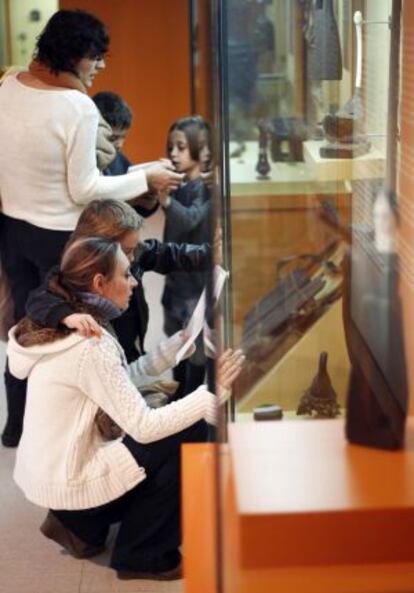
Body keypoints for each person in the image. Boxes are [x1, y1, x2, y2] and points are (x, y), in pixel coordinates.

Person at [7, 236, 244, 580]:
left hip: (52, 469)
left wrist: (171, 347)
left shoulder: (69, 321)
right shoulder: (90, 344)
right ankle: (142, 554)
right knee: (188, 429)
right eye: (126, 273)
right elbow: (143, 426)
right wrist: (211, 394)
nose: (134, 281)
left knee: (180, 421)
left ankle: (81, 524)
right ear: (99, 283)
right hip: (69, 477)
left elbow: (113, 382)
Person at [0, 9, 182, 446]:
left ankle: (17, 425)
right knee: (81, 333)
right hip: (57, 238)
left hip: (12, 230)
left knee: (23, 330)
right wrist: (147, 179)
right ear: (75, 54)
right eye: (96, 57)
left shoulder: (9, 85)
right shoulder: (76, 106)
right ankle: (85, 431)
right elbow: (84, 189)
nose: (100, 67)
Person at [4, 200, 213, 446]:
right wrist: (65, 314)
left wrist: (209, 253)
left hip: (127, 346)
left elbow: (165, 253)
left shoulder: (130, 252)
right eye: (126, 253)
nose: (132, 261)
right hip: (108, 358)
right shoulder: (71, 274)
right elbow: (38, 299)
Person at [159, 116, 212, 398]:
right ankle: (178, 398)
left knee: (194, 352)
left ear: (202, 150)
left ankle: (188, 406)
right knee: (174, 347)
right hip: (176, 281)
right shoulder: (181, 184)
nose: (173, 153)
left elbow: (190, 220)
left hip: (193, 286)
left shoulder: (205, 188)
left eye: (181, 147)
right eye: (171, 147)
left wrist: (165, 200)